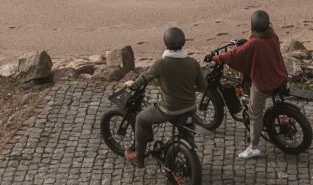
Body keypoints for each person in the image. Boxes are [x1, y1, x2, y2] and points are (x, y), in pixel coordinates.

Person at [122, 26, 206, 168]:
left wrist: (133, 84)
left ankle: (138, 155)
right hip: (190, 107)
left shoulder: (161, 63)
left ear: (165, 43)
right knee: (186, 130)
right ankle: (188, 150)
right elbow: (203, 86)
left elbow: (145, 76)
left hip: (169, 110)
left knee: (140, 119)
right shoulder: (193, 63)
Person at [209, 9, 288, 159]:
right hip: (279, 76)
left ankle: (254, 147)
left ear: (253, 27)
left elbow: (234, 55)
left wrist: (217, 58)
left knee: (254, 113)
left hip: (265, 83)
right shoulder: (273, 36)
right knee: (247, 81)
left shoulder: (254, 44)